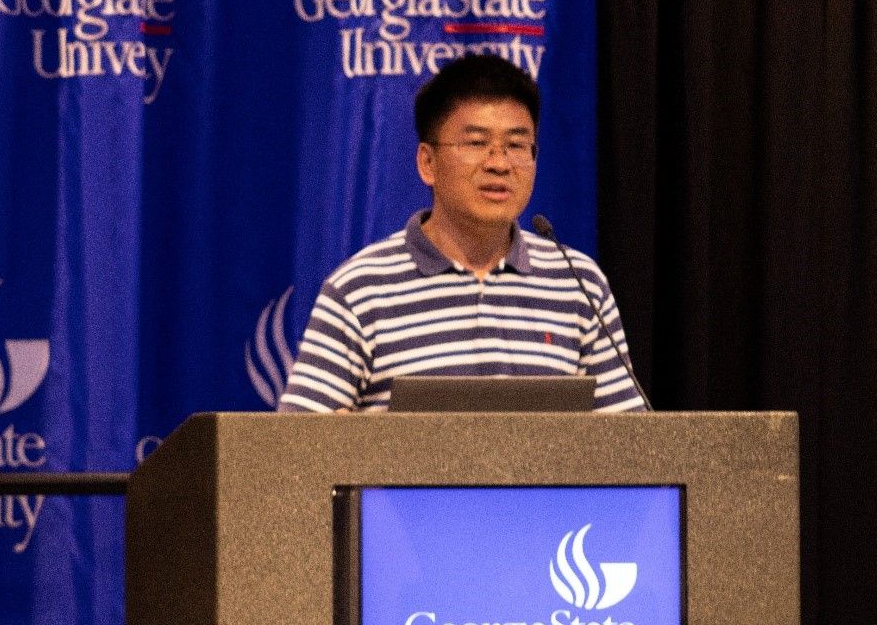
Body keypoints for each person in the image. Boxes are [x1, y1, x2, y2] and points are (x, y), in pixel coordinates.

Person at [277, 54, 647, 412]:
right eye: (476, 143)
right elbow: (297, 443)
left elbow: (627, 441)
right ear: (428, 162)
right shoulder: (360, 289)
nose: (499, 164)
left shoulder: (578, 284)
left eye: (516, 145)